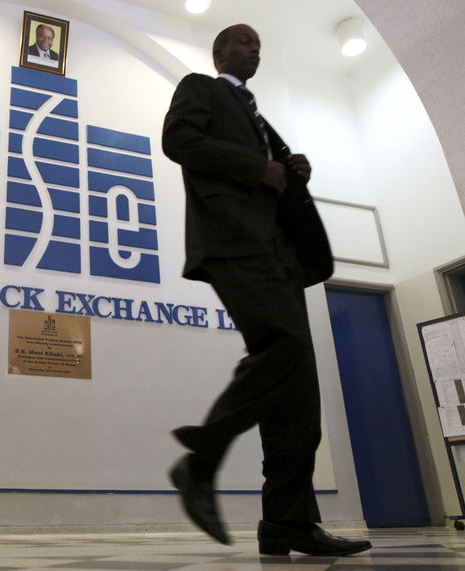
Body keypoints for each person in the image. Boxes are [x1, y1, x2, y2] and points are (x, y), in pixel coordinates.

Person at [161, 24, 372, 557]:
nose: (255, 49)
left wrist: (291, 172)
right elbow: (179, 141)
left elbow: (270, 180)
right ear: (220, 52)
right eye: (244, 41)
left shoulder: (259, 120)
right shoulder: (200, 87)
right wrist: (258, 168)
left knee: (297, 394)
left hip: (281, 256)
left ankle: (287, 522)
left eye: (259, 44)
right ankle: (202, 456)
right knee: (286, 348)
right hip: (235, 243)